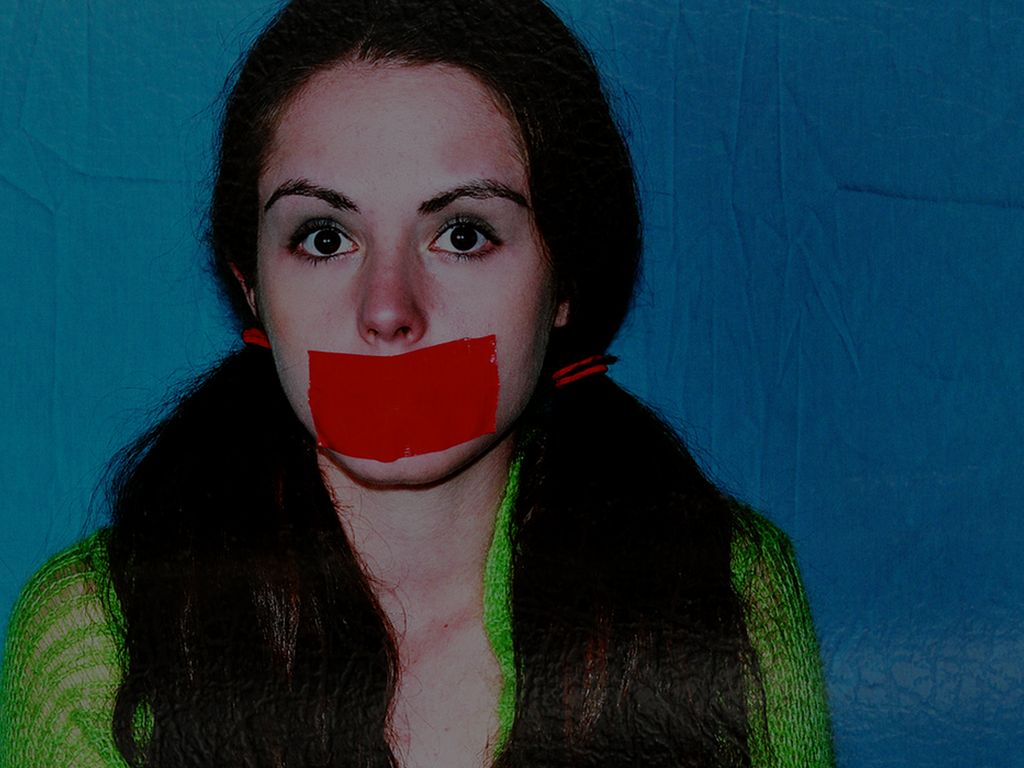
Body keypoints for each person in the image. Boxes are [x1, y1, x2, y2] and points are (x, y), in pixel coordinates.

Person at [0, 0, 834, 766]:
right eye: (324, 238)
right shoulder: (100, 641)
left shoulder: (725, 590)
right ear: (250, 282)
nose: (388, 311)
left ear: (566, 281)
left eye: (463, 234)